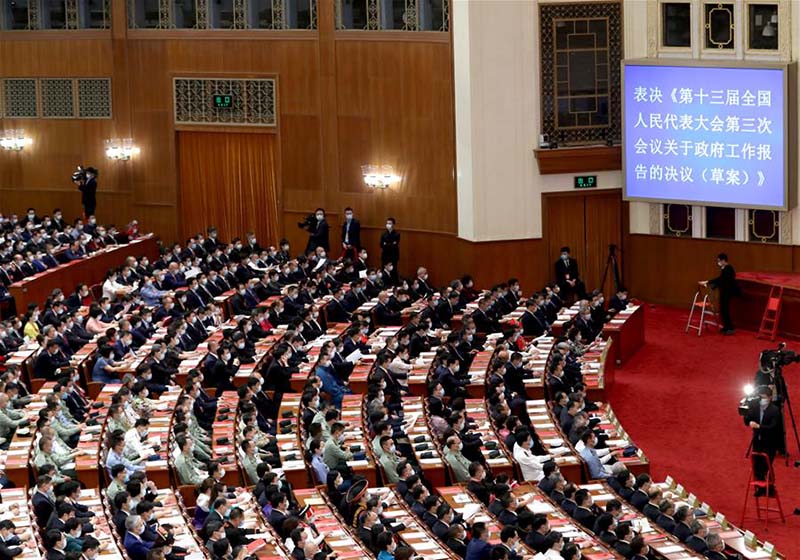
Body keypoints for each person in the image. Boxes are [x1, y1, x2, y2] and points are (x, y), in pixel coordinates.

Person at [744, 386, 782, 489]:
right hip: (757, 441)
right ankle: (760, 488)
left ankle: (770, 487)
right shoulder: (755, 407)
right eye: (760, 397)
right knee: (756, 466)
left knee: (766, 466)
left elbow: (773, 427)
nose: (762, 400)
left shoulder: (775, 410)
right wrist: (748, 418)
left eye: (764, 397)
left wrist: (759, 426)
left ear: (770, 397)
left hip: (770, 443)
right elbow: (747, 420)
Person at [705, 253, 739, 335]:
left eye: (719, 261)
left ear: (723, 260)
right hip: (724, 292)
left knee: (725, 310)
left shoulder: (728, 268)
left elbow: (722, 280)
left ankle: (730, 328)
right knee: (723, 310)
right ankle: (726, 327)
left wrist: (709, 282)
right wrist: (712, 284)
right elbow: (721, 280)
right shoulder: (724, 268)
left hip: (728, 292)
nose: (718, 263)